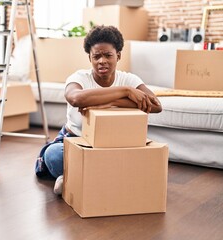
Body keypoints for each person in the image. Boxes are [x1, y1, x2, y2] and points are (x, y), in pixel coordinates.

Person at [35, 25, 162, 195]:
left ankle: (79, 179)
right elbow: (76, 98)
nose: (102, 61)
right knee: (53, 154)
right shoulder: (79, 78)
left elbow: (155, 105)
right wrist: (126, 92)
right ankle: (75, 177)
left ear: (118, 55)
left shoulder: (129, 79)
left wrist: (109, 102)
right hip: (77, 141)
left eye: (108, 55)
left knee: (143, 157)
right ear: (90, 58)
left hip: (112, 146)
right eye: (96, 56)